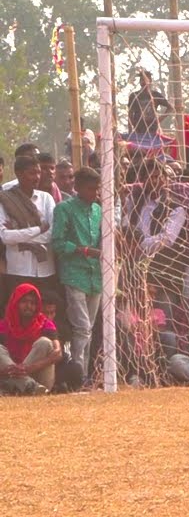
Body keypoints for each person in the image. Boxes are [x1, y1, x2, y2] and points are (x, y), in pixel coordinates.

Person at [51, 168, 102, 379]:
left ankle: (85, 373)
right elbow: (57, 242)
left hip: (95, 276)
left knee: (88, 327)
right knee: (81, 327)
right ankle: (77, 375)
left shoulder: (98, 210)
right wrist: (82, 250)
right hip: (74, 274)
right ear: (78, 187)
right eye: (91, 189)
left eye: (97, 189)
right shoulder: (64, 209)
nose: (96, 193)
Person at [0, 284, 79, 395]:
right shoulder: (3, 326)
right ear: (15, 303)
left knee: (44, 342)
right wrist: (11, 371)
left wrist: (27, 368)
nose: (28, 306)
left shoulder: (45, 324)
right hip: (11, 376)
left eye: (32, 303)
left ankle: (20, 386)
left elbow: (58, 353)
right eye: (24, 302)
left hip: (40, 380)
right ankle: (26, 385)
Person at [0, 156, 58, 303]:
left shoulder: (46, 199)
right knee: (18, 314)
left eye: (38, 173)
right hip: (18, 269)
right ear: (19, 174)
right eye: (32, 173)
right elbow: (6, 237)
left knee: (43, 315)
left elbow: (51, 233)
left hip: (45, 269)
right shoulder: (5, 200)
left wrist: (21, 238)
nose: (37, 177)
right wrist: (39, 229)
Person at [127, 69, 172, 136]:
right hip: (139, 129)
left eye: (145, 80)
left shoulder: (155, 95)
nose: (143, 82)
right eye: (142, 80)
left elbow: (170, 108)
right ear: (140, 82)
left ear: (150, 81)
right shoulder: (134, 96)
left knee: (152, 144)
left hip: (152, 128)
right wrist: (130, 132)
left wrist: (159, 119)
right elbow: (130, 114)